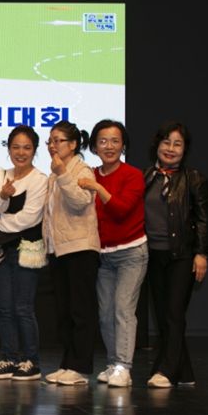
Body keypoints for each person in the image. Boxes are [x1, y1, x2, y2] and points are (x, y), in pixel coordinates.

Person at [143, 121, 208, 388]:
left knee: (174, 313)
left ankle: (166, 370)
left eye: (177, 144)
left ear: (185, 150)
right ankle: (184, 372)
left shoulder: (194, 178)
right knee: (163, 315)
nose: (170, 149)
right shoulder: (147, 176)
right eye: (166, 142)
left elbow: (204, 219)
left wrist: (201, 253)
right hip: (152, 255)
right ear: (157, 145)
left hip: (182, 255)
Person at [77, 119, 147, 388]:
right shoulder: (89, 174)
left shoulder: (133, 175)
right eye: (103, 141)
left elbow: (120, 210)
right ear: (94, 146)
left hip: (132, 252)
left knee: (123, 309)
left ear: (123, 145)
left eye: (115, 141)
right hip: (103, 255)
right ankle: (112, 363)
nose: (109, 146)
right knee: (105, 313)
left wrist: (97, 188)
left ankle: (124, 367)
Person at [0, 125, 47, 381]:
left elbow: (29, 218)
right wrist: (3, 195)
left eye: (27, 148)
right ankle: (10, 358)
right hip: (4, 252)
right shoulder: (2, 174)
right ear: (9, 149)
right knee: (4, 308)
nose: (21, 153)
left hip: (28, 250)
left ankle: (31, 361)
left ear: (34, 150)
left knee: (23, 307)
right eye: (16, 147)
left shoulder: (39, 179)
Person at [42, 120, 100, 386]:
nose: (53, 146)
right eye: (50, 141)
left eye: (58, 140)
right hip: (59, 249)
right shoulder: (55, 173)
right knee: (64, 311)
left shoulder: (81, 169)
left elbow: (80, 201)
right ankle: (68, 363)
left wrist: (63, 174)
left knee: (81, 311)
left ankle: (80, 367)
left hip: (80, 248)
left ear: (73, 144)